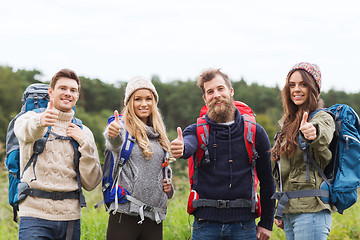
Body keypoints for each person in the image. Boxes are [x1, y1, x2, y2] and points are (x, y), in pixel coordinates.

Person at [171, 68, 275, 240]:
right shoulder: (196, 130)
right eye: (210, 92)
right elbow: (188, 144)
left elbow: (267, 181)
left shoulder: (255, 132)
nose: (216, 95)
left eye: (220, 89)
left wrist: (266, 223)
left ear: (231, 91)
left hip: (244, 226)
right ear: (205, 99)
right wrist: (181, 148)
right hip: (205, 225)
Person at [14, 68, 102, 239]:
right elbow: (25, 131)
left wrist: (84, 143)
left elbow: (91, 183)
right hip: (34, 215)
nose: (68, 93)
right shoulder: (28, 118)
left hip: (70, 219)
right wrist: (40, 122)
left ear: (77, 96)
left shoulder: (84, 132)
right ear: (51, 92)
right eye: (63, 88)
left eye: (73, 90)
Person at [271, 62, 336, 240]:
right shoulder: (287, 124)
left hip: (312, 212)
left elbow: (323, 133)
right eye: (292, 85)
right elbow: (284, 172)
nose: (296, 89)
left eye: (303, 84)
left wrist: (312, 132)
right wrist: (282, 207)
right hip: (290, 211)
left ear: (314, 88)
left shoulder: (322, 117)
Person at [104, 76, 174, 240]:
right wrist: (112, 134)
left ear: (154, 102)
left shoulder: (160, 136)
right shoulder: (122, 129)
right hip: (124, 214)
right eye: (138, 99)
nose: (144, 103)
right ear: (129, 102)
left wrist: (169, 189)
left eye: (148, 99)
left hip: (154, 216)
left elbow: (165, 175)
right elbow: (113, 144)